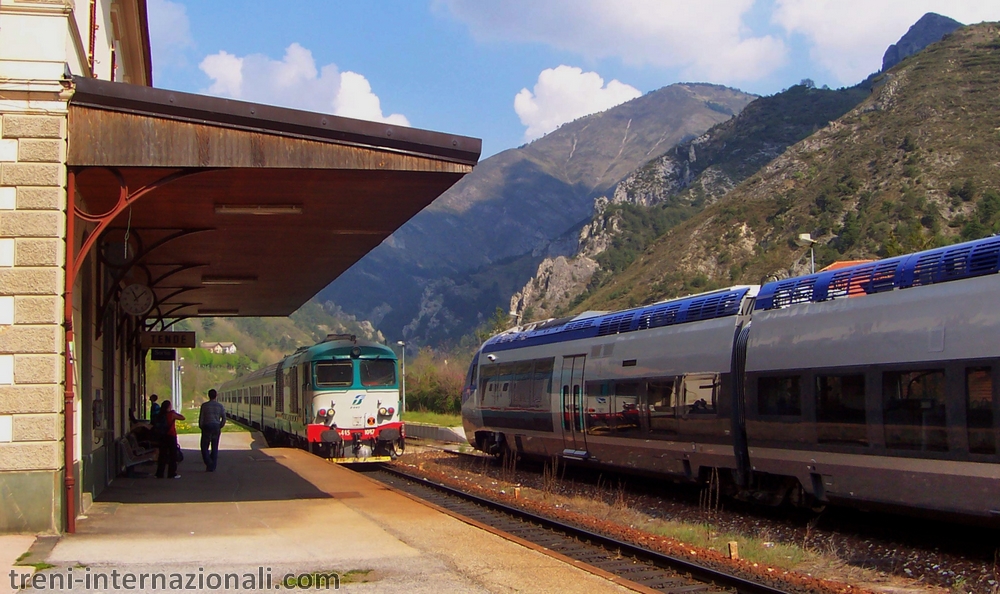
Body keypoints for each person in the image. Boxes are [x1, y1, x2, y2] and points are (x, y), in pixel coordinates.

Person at [154, 400, 185, 479]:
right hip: (171, 436)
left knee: (162, 455)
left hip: (162, 436)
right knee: (172, 455)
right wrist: (174, 412)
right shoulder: (171, 414)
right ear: (169, 407)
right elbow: (182, 418)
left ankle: (159, 473)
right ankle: (171, 473)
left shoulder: (159, 415)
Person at [199, 389, 226, 472]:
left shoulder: (204, 406)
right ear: (216, 395)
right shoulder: (220, 406)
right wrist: (220, 425)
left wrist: (201, 426)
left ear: (208, 395)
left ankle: (208, 462)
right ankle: (212, 466)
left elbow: (201, 417)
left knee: (204, 447)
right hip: (216, 427)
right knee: (214, 447)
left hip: (207, 426)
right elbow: (224, 418)